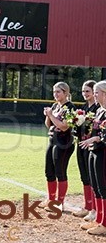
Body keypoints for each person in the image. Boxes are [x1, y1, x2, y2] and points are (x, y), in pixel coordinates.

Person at [40, 82, 76, 212]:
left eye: (58, 92)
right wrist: (48, 116)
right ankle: (51, 199)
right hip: (52, 140)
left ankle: (59, 203)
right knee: (49, 171)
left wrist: (51, 115)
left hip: (64, 142)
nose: (55, 95)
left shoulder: (70, 107)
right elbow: (48, 125)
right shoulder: (55, 106)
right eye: (54, 92)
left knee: (60, 172)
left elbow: (63, 126)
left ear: (65, 93)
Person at [79, 80, 106, 235]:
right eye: (94, 92)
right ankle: (98, 220)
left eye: (97, 92)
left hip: (102, 152)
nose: (95, 95)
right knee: (96, 187)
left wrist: (96, 139)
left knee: (103, 188)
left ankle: (104, 223)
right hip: (93, 151)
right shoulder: (100, 111)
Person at [73, 80, 99, 221]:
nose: (85, 94)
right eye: (83, 91)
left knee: (92, 178)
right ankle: (88, 207)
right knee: (84, 176)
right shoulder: (83, 108)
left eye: (88, 91)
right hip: (81, 144)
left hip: (92, 146)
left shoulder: (97, 108)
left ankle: (94, 209)